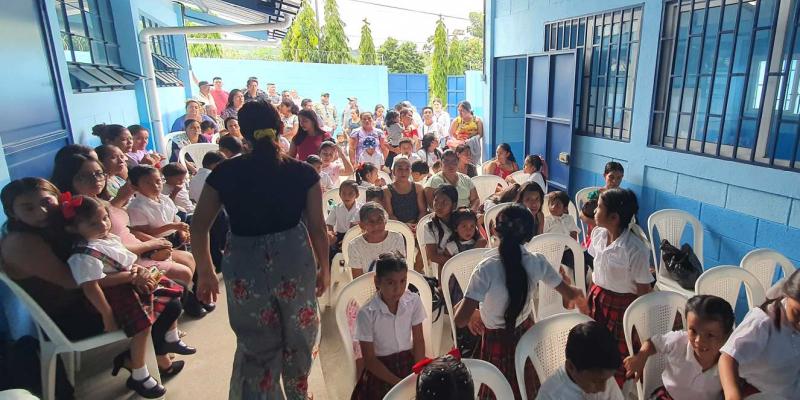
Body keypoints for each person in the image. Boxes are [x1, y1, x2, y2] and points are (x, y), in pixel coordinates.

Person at [192, 100, 328, 399]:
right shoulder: (304, 173)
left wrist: (205, 271)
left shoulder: (224, 173)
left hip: (245, 266)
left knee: (256, 342)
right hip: (294, 263)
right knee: (299, 335)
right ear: (280, 128)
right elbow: (318, 228)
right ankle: (298, 393)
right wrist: (324, 270)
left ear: (243, 133)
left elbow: (198, 225)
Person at [62, 195, 191, 398]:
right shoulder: (83, 255)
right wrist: (107, 314)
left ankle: (170, 337)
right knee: (143, 325)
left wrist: (140, 271)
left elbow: (125, 260)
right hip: (116, 295)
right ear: (72, 228)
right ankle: (139, 373)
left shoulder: (108, 240)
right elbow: (92, 285)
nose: (103, 225)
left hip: (132, 283)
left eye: (105, 218)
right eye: (93, 223)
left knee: (173, 290)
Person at [454, 204, 586, 399]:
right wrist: (575, 296)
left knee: (496, 388)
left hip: (495, 339)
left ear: (494, 230)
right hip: (525, 334)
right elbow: (570, 295)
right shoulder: (537, 262)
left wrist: (475, 312)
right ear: (529, 236)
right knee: (526, 384)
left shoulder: (485, 268)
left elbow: (460, 320)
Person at [587, 188, 652, 387]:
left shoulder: (635, 249)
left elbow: (643, 290)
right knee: (595, 344)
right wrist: (590, 296)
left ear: (614, 217)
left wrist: (640, 324)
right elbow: (595, 269)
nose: (595, 211)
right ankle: (595, 378)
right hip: (598, 297)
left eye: (599, 207)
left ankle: (615, 387)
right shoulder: (598, 234)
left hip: (622, 306)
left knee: (617, 350)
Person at [624, 295, 735, 400]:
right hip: (667, 397)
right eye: (693, 331)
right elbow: (653, 343)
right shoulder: (679, 341)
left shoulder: (729, 362)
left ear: (727, 336)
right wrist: (641, 357)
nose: (698, 341)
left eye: (710, 335)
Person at [351, 253, 426, 400]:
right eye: (390, 283)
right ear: (377, 282)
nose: (398, 289)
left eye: (403, 281)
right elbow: (370, 360)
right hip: (381, 370)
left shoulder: (413, 301)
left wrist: (417, 374)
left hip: (408, 363)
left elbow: (418, 341)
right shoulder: (367, 313)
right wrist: (399, 384)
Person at [719, 269, 800, 400]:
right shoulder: (763, 322)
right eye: (796, 313)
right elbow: (727, 358)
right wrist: (733, 395)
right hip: (758, 393)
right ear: (786, 295)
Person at [537, 321, 624, 400]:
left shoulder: (603, 374)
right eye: (595, 381)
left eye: (607, 379)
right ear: (570, 367)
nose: (603, 388)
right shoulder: (550, 395)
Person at [126, 165, 189, 248]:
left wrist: (182, 233)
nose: (155, 186)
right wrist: (171, 226)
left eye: (158, 181)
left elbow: (174, 218)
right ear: (135, 186)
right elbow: (146, 232)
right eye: (148, 183)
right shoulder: (136, 207)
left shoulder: (165, 199)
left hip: (174, 236)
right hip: (158, 243)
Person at [347, 202, 406, 278]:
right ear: (362, 225)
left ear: (385, 221)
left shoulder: (396, 238)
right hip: (367, 288)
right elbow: (358, 279)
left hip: (394, 285)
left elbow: (401, 270)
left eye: (380, 220)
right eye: (370, 221)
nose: (376, 225)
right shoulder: (355, 245)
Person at [579, 162, 625, 234]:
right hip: (597, 233)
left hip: (617, 233)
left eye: (619, 178)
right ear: (604, 175)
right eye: (611, 177)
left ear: (622, 177)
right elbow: (582, 215)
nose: (615, 181)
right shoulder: (596, 195)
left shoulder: (623, 196)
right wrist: (603, 226)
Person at [423, 185, 458, 276]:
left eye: (444, 202)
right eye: (436, 201)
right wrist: (458, 263)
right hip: (446, 268)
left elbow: (481, 241)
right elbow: (433, 256)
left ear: (454, 205)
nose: (439, 206)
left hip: (468, 263)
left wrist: (467, 259)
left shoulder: (462, 220)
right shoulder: (429, 226)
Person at [384, 156, 426, 229]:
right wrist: (404, 227)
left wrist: (417, 226)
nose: (403, 172)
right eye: (400, 169)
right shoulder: (387, 190)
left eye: (407, 169)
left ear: (410, 172)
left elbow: (422, 211)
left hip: (417, 226)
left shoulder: (418, 188)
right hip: (397, 227)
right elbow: (390, 214)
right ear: (393, 171)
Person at [326, 180, 361, 256]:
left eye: (350, 193)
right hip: (340, 236)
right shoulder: (336, 208)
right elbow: (329, 224)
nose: (346, 196)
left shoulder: (361, 208)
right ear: (340, 194)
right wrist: (331, 234)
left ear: (357, 195)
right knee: (331, 249)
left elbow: (365, 223)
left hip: (356, 236)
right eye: (343, 193)